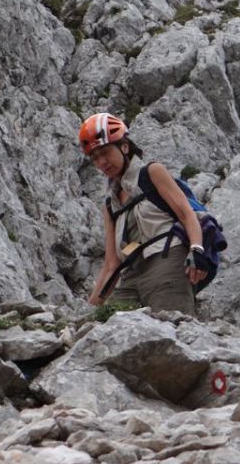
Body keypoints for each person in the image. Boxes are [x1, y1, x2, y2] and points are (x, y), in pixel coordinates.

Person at [79, 113, 210, 314]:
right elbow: (111, 264)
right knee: (111, 332)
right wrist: (88, 312)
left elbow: (186, 214)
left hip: (168, 262)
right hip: (131, 274)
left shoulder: (152, 173)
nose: (101, 162)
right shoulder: (110, 204)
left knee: (172, 331)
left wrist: (197, 250)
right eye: (95, 158)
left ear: (124, 146)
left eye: (105, 152)